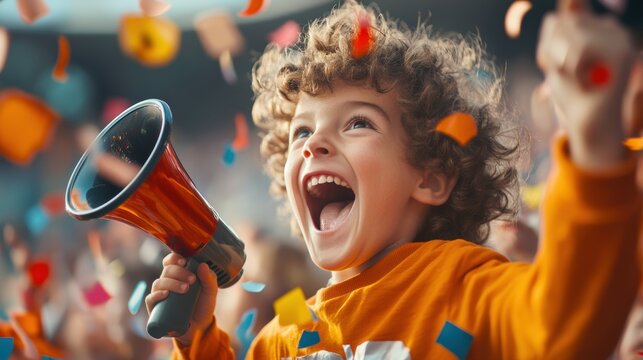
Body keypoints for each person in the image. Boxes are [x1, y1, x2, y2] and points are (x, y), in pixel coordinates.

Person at [145, 0, 641, 358]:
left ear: (430, 178)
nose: (313, 144)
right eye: (301, 131)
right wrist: (198, 341)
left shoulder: (464, 284)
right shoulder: (286, 334)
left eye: (358, 122)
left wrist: (595, 147)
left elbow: (566, 331)